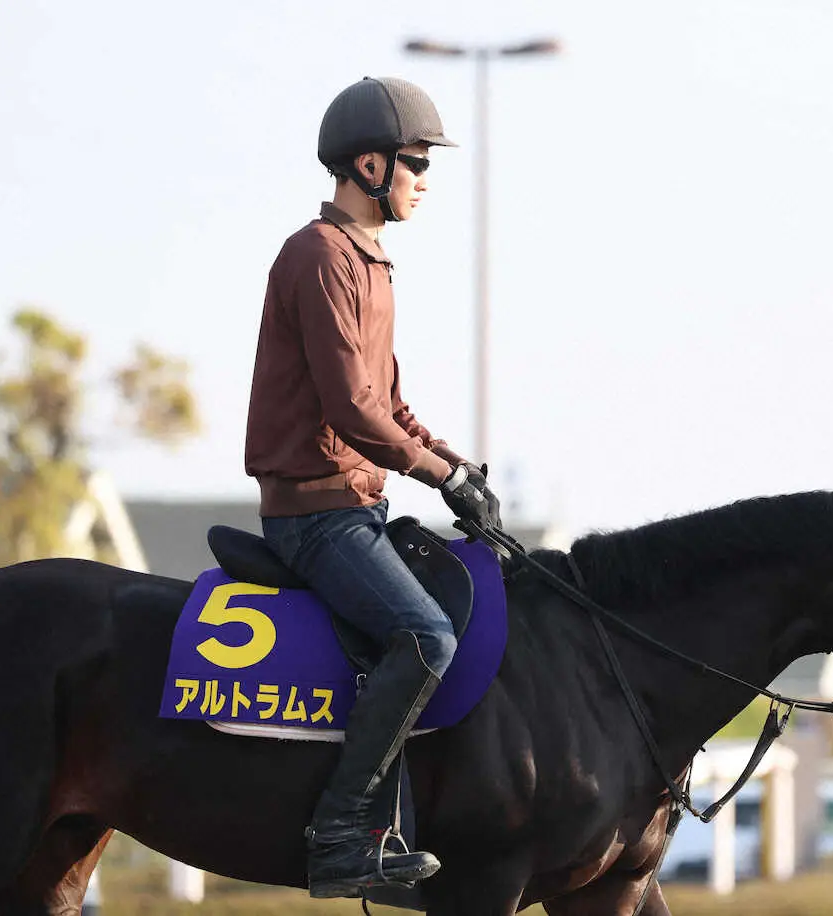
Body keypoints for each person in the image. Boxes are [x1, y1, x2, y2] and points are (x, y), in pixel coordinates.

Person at [244, 76, 501, 899]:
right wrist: (437, 473)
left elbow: (388, 404)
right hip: (315, 515)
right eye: (416, 164)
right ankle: (342, 835)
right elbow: (352, 412)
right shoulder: (319, 257)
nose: (425, 180)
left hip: (358, 503)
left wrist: (459, 468)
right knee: (425, 637)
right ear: (369, 163)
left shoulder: (369, 262)